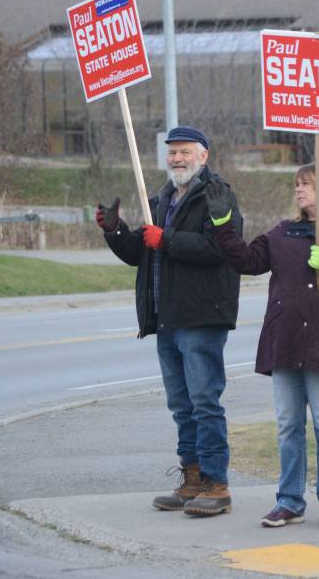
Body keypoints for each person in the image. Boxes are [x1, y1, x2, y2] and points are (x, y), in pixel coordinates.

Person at [203, 163, 319, 529]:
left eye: (307, 184)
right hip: (285, 341)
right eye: (297, 184)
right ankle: (289, 500)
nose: (299, 190)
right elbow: (247, 261)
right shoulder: (284, 232)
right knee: (287, 425)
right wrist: (223, 226)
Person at [95, 126, 242, 517]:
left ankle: (216, 483)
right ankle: (192, 479)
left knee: (204, 401)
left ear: (204, 155)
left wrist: (168, 240)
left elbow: (220, 248)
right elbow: (141, 253)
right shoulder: (160, 198)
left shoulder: (217, 194)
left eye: (185, 152)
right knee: (181, 405)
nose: (177, 159)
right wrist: (115, 230)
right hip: (166, 318)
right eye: (172, 153)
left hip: (201, 316)